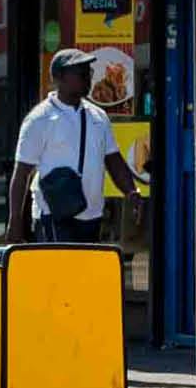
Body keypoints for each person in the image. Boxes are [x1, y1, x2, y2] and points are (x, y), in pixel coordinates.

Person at [11, 50, 148, 245]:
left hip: (92, 216)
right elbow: (22, 172)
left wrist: (131, 191)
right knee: (62, 275)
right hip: (54, 216)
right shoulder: (39, 119)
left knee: (84, 275)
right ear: (59, 78)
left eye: (88, 72)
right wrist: (15, 221)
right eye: (80, 72)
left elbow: (113, 160)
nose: (87, 77)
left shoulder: (99, 117)